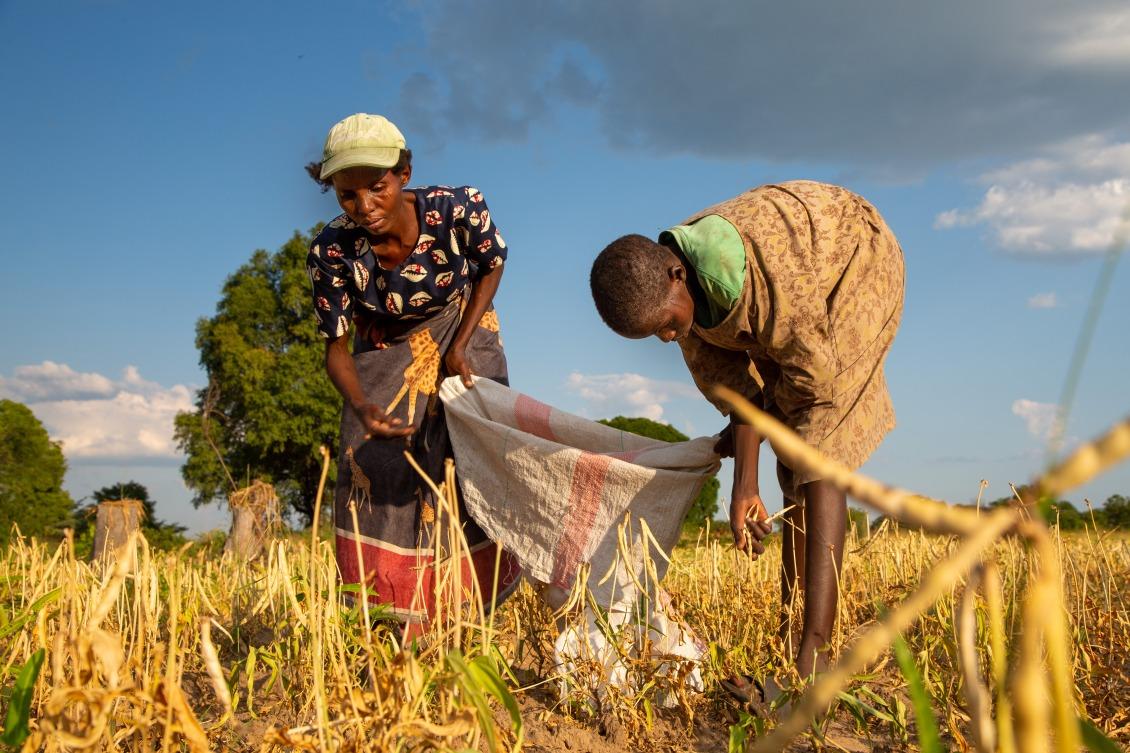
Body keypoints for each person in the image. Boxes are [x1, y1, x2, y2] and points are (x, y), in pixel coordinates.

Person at [589, 180, 904, 684]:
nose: (669, 337)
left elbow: (815, 380)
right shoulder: (680, 297)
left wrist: (759, 441)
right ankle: (789, 636)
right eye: (657, 335)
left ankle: (815, 661)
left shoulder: (771, 275)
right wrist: (746, 488)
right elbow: (746, 403)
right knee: (788, 455)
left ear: (678, 277)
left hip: (852, 260)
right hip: (796, 310)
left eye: (668, 324)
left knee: (818, 451)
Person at [305, 113, 520, 631]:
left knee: (473, 451)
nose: (365, 207)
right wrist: (361, 406)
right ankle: (391, 614)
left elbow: (492, 263)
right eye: (346, 196)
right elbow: (336, 348)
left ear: (404, 172)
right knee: (373, 465)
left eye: (377, 188)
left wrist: (461, 346)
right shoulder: (331, 251)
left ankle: (468, 606)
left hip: (462, 322)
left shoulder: (457, 208)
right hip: (384, 342)